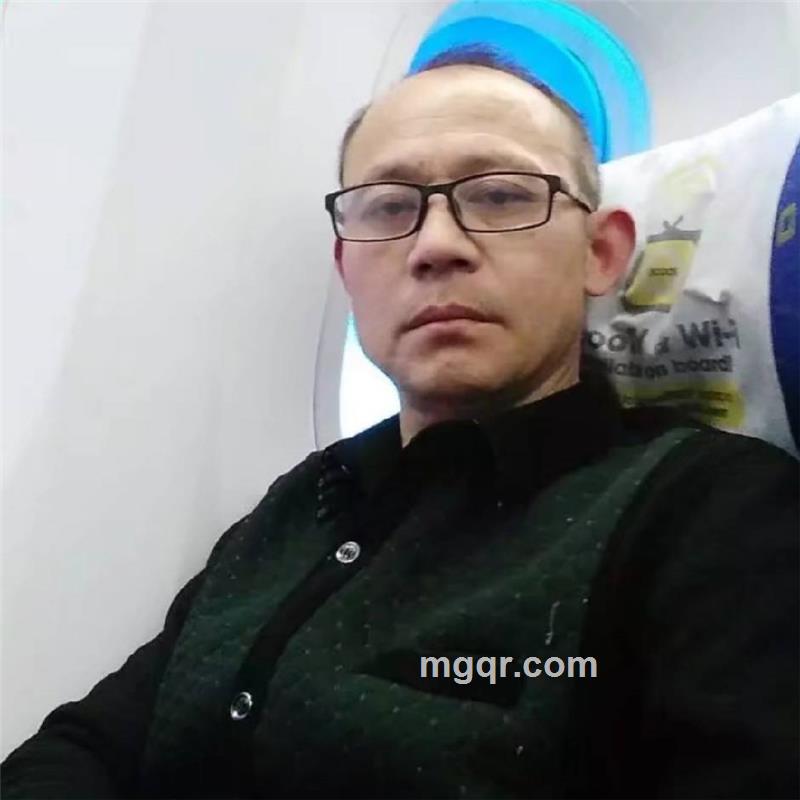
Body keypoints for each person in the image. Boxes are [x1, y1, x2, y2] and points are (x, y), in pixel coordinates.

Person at [2, 44, 798, 800]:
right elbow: (93, 744)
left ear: (601, 251)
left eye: (501, 195)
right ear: (347, 268)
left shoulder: (714, 514)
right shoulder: (303, 501)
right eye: (389, 208)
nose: (435, 246)